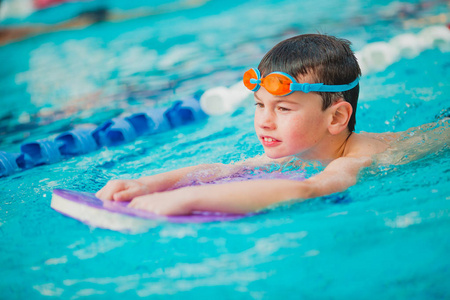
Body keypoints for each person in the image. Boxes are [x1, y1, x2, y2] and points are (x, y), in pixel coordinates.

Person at [96, 33, 449, 215]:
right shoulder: (300, 149)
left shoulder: (352, 161)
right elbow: (223, 169)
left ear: (336, 117)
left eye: (284, 109)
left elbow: (307, 191)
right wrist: (145, 184)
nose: (264, 120)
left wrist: (189, 200)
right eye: (259, 105)